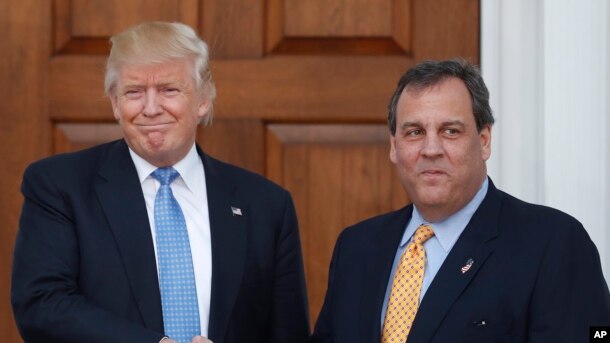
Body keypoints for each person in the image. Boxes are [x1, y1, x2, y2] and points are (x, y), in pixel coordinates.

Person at [11, 22, 310, 343]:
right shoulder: (61, 186)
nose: (151, 109)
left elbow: (288, 333)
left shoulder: (265, 205)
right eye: (134, 92)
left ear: (203, 100)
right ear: (115, 103)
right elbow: (42, 306)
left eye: (169, 89)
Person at [310, 59, 610, 342]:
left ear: (484, 141)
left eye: (450, 131)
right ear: (394, 146)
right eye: (414, 132)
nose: (431, 149)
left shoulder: (553, 243)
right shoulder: (357, 247)